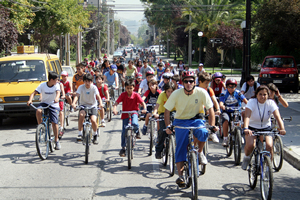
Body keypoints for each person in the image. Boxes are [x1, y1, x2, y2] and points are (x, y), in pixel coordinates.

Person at [164, 71, 217, 187]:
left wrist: (212, 126)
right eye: (186, 81)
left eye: (191, 81)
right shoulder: (176, 93)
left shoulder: (201, 92)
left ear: (195, 82)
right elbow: (167, 110)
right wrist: (168, 126)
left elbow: (211, 109)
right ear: (183, 82)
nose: (189, 83)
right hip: (180, 121)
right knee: (181, 148)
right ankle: (181, 175)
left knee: (203, 132)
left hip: (197, 119)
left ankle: (200, 152)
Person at [241, 85, 286, 170]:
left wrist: (282, 129)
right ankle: (246, 158)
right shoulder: (251, 101)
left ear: (268, 95)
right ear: (256, 94)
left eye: (265, 94)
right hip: (252, 127)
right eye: (260, 94)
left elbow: (277, 117)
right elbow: (247, 116)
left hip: (266, 127)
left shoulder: (271, 103)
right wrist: (246, 128)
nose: (262, 96)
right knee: (251, 145)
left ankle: (268, 168)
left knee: (269, 146)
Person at [27, 71, 62, 150]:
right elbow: (33, 93)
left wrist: (56, 98)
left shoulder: (56, 85)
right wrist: (30, 100)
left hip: (53, 104)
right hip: (44, 103)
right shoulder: (42, 85)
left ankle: (56, 140)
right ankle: (41, 127)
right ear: (51, 80)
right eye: (56, 79)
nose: (57, 81)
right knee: (38, 111)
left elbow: (58, 93)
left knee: (54, 122)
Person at [113, 79, 147, 157]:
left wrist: (144, 109)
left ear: (133, 88)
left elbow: (143, 103)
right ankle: (123, 148)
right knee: (124, 131)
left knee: (135, 123)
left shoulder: (136, 95)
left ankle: (137, 131)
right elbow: (116, 103)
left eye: (130, 88)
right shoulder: (123, 95)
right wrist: (114, 109)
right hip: (125, 114)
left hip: (134, 112)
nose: (129, 90)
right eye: (127, 88)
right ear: (125, 88)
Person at [72, 73, 103, 144]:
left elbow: (98, 96)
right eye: (86, 81)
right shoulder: (81, 87)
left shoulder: (94, 87)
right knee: (81, 116)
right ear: (83, 81)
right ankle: (80, 133)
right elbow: (77, 95)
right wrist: (74, 103)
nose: (87, 83)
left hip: (92, 106)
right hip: (83, 105)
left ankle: (95, 134)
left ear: (92, 81)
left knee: (93, 120)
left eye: (89, 81)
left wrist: (100, 104)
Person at [219, 78, 248, 146]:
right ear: (227, 87)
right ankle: (225, 138)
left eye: (233, 87)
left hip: (236, 110)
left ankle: (239, 135)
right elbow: (221, 102)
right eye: (229, 86)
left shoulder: (238, 93)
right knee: (225, 120)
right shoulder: (224, 93)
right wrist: (222, 106)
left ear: (235, 87)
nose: (231, 88)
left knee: (238, 121)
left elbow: (245, 100)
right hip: (226, 110)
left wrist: (249, 105)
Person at [153, 81, 176, 159]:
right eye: (168, 91)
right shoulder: (162, 95)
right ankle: (159, 150)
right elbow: (157, 104)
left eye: (171, 91)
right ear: (165, 91)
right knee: (162, 131)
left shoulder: (176, 95)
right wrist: (155, 113)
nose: (170, 93)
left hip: (173, 112)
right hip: (163, 112)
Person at [198, 72, 220, 143]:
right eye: (206, 83)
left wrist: (218, 109)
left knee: (210, 111)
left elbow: (214, 100)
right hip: (196, 108)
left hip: (205, 108)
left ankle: (212, 132)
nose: (207, 85)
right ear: (200, 82)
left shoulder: (209, 90)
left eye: (209, 83)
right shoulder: (195, 89)